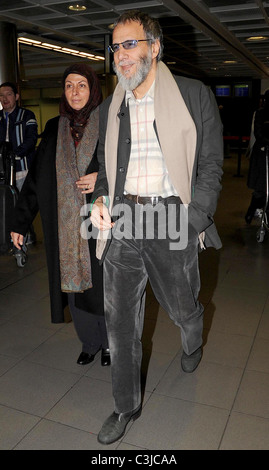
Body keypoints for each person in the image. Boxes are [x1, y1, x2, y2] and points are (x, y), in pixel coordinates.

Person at [90, 10, 223, 445]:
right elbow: (108, 171)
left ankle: (193, 333)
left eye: (130, 45)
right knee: (120, 322)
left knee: (181, 306)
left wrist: (193, 219)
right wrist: (101, 201)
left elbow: (210, 165)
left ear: (154, 47)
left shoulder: (192, 94)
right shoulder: (114, 105)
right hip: (126, 220)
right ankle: (125, 405)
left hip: (171, 217)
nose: (120, 56)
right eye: (115, 48)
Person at [11, 63, 110, 367]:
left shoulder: (109, 123)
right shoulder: (55, 127)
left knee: (104, 285)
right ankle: (89, 342)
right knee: (74, 288)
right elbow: (37, 177)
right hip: (65, 224)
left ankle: (109, 343)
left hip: (101, 220)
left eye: (81, 85)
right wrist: (20, 222)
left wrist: (101, 178)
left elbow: (128, 166)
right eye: (69, 85)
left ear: (92, 89)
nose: (75, 92)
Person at [0, 81, 38, 246]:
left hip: (22, 168)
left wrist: (16, 154)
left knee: (23, 205)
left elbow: (31, 139)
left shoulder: (27, 115)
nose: (5, 98)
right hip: (3, 172)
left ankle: (27, 236)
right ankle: (9, 237)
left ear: (16, 96)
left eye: (8, 94)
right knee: (7, 205)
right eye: (1, 95)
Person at [245, 90, 269, 224]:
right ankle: (252, 209)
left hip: (263, 151)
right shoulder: (260, 113)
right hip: (262, 153)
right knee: (261, 185)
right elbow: (258, 133)